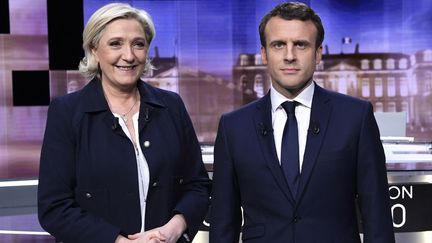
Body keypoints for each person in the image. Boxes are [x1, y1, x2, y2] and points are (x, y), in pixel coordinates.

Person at [210, 2, 395, 242]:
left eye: (301, 45)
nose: (289, 56)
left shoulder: (355, 117)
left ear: (318, 53)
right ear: (264, 54)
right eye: (278, 45)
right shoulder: (233, 127)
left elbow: (377, 214)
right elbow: (223, 223)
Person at [38, 3, 210, 243]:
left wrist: (173, 229)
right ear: (94, 50)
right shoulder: (66, 112)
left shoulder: (171, 106)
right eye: (115, 43)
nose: (129, 56)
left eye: (138, 44)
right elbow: (54, 208)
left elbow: (198, 185)